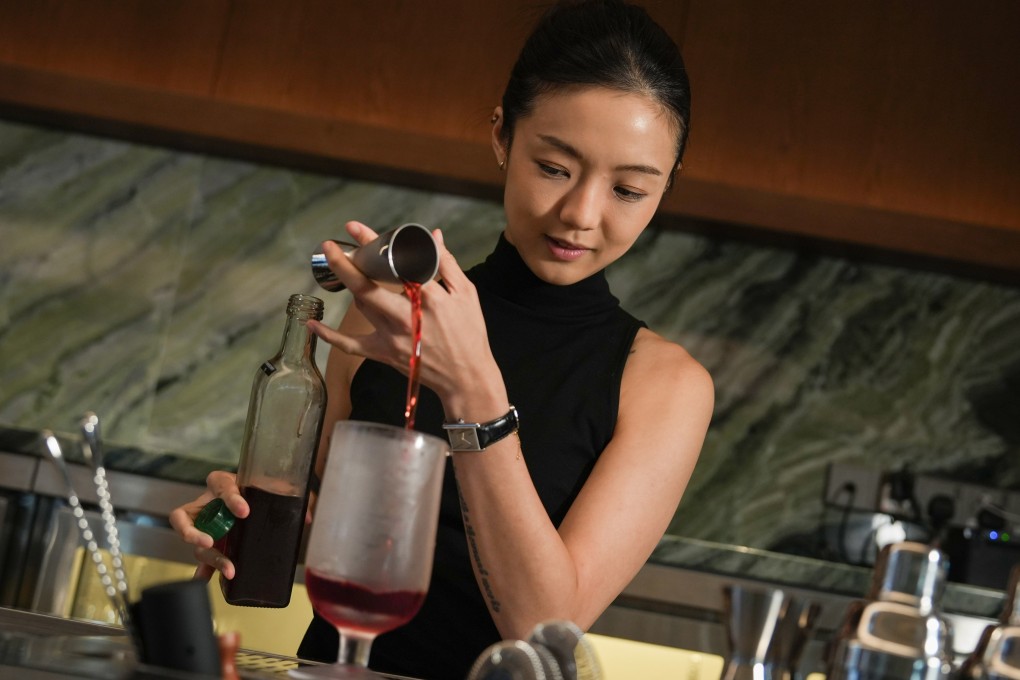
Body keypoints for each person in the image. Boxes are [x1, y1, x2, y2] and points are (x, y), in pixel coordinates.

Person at [170, 0, 713, 677]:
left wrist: (471, 387)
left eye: (629, 190)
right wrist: (239, 518)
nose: (580, 214)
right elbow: (317, 527)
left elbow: (542, 627)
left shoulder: (663, 384)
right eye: (554, 167)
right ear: (502, 136)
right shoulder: (385, 312)